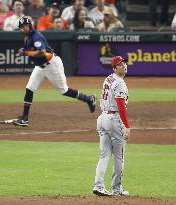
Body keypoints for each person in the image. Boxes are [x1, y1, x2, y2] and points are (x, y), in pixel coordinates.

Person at [13, 17, 96, 127]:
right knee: (29, 89)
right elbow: (30, 51)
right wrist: (24, 51)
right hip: (39, 67)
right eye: (21, 27)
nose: (23, 29)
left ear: (30, 26)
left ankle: (88, 99)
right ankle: (24, 118)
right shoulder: (27, 38)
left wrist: (26, 53)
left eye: (24, 26)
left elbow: (42, 52)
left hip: (51, 65)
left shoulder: (36, 36)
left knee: (64, 90)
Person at [93, 56, 130, 196]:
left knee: (104, 155)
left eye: (124, 63)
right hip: (114, 119)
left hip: (102, 118)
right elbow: (121, 105)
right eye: (120, 64)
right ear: (114, 68)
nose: (124, 66)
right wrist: (127, 126)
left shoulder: (108, 78)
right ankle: (116, 189)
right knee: (119, 156)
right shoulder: (120, 83)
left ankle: (98, 186)